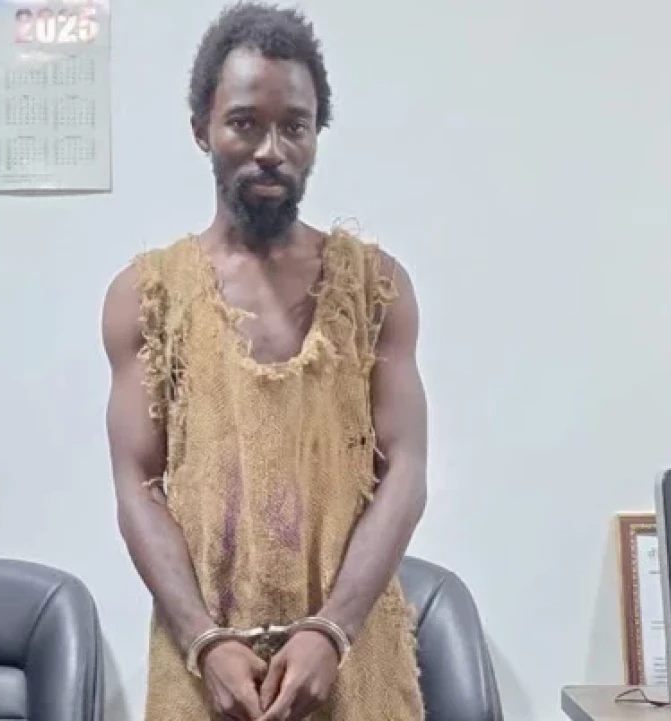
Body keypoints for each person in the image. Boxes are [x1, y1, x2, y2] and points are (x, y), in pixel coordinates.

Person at [102, 3, 428, 719]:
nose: (271, 150)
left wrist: (332, 629)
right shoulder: (148, 297)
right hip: (204, 670)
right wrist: (204, 640)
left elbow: (405, 471)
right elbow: (137, 485)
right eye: (245, 123)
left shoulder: (376, 289)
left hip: (354, 662)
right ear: (202, 129)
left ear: (316, 134)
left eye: (295, 126)